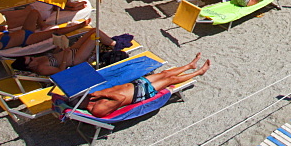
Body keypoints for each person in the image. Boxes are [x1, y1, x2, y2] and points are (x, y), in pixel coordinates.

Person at [83, 54, 211, 117]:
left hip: (135, 85)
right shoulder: (96, 109)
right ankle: (199, 72)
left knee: (164, 73)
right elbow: (120, 98)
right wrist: (100, 93)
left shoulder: (90, 97)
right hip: (140, 93)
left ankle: (190, 65)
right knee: (169, 80)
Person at [12, 28, 117, 76]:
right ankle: (116, 45)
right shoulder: (42, 69)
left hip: (71, 50)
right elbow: (60, 72)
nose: (33, 57)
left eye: (30, 56)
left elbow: (53, 56)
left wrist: (58, 47)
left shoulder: (37, 60)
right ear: (29, 66)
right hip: (75, 59)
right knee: (94, 37)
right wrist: (65, 56)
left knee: (93, 30)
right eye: (30, 59)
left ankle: (112, 43)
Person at [0, 18, 91, 51]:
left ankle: (42, 25)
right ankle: (78, 26)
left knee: (34, 13)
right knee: (54, 32)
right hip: (27, 39)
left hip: (26, 31)